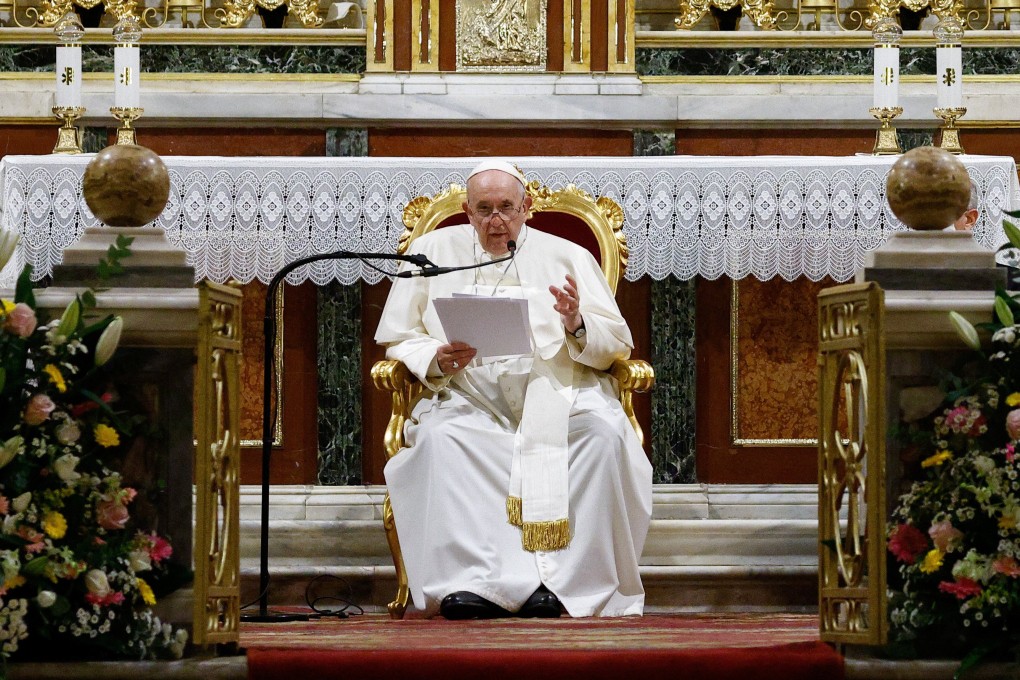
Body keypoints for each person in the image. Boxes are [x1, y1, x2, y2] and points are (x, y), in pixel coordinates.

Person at [375, 160, 652, 620]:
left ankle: (563, 585)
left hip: (559, 391)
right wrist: (435, 357)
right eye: (484, 209)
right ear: (467, 211)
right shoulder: (430, 252)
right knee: (441, 440)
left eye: (506, 207)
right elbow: (399, 336)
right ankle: (473, 582)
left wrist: (576, 322)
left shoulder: (568, 256)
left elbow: (617, 343)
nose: (496, 220)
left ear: (527, 208)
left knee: (603, 436)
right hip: (469, 395)